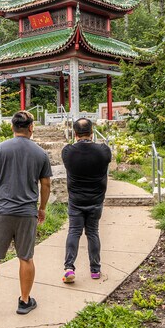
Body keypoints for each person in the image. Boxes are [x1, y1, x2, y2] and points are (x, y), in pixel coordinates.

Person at [0, 110, 52, 315]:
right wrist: (42, 208)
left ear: (12, 127)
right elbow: (46, 184)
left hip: (2, 211)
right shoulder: (40, 153)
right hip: (27, 213)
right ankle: (25, 302)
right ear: (31, 127)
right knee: (26, 257)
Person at [61, 117, 111, 283]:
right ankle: (95, 270)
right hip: (96, 200)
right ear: (91, 132)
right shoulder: (104, 151)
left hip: (75, 200)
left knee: (74, 231)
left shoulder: (68, 152)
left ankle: (69, 268)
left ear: (75, 134)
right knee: (93, 232)